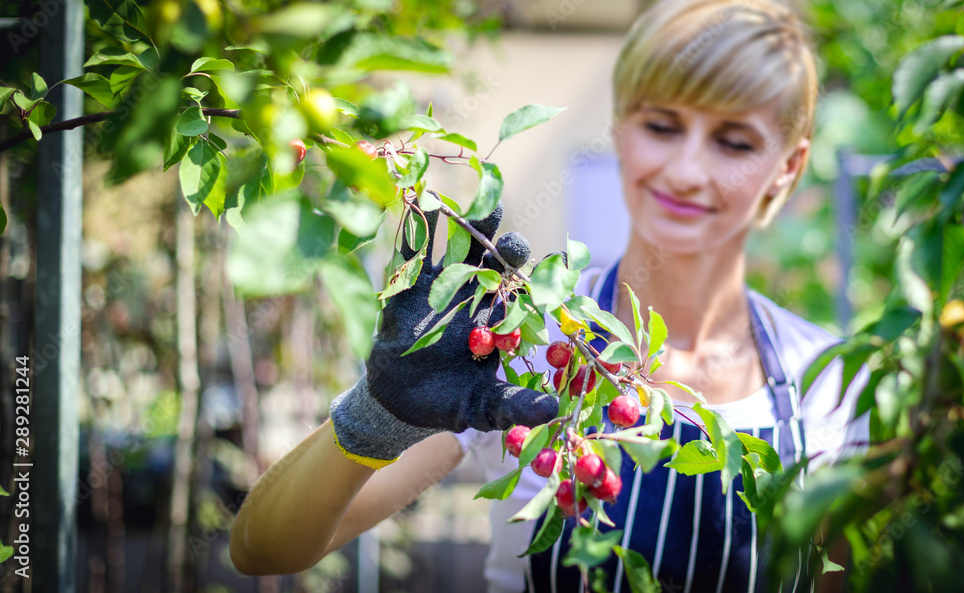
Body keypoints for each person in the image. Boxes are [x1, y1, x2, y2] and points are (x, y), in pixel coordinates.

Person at [229, 0, 871, 591]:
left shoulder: (831, 384)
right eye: (663, 126)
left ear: (787, 166)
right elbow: (263, 551)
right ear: (621, 127)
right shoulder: (528, 344)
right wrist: (379, 413)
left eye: (733, 141)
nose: (685, 169)